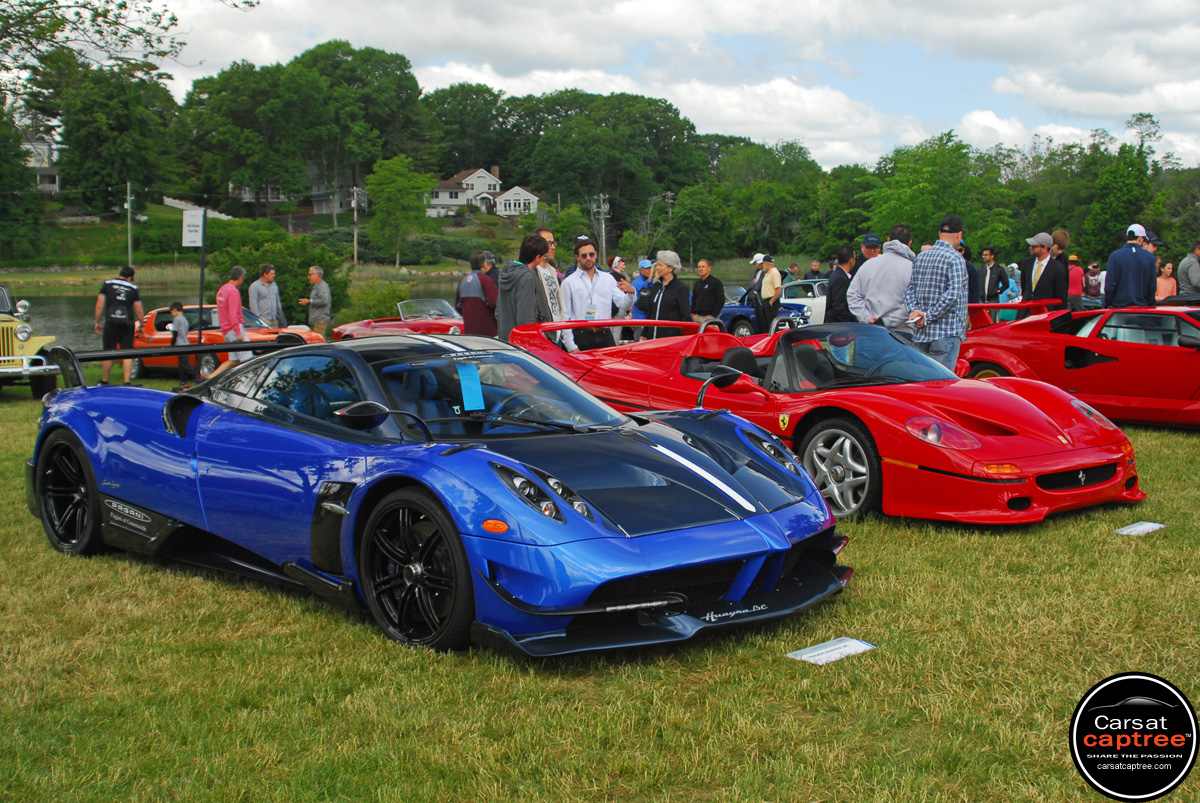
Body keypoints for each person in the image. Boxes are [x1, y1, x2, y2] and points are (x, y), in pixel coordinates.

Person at [904, 214, 968, 370]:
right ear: (959, 235)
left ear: (939, 233)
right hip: (946, 330)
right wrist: (928, 316)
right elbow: (953, 294)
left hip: (920, 331)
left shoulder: (921, 257)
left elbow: (910, 289)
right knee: (941, 384)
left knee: (922, 380)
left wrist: (915, 312)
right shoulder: (956, 258)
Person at [559, 238, 635, 351]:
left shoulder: (608, 278)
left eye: (591, 254)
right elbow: (565, 316)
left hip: (605, 334)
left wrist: (631, 293)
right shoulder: (568, 282)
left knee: (610, 367)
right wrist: (571, 347)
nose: (588, 258)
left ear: (596, 255)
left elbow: (623, 304)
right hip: (581, 334)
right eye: (584, 255)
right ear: (577, 257)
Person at [847, 223, 915, 336]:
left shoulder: (867, 265)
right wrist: (887, 321)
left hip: (869, 331)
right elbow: (912, 303)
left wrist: (867, 318)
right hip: (901, 334)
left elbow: (852, 295)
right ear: (910, 243)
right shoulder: (912, 268)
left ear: (888, 240)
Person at [94, 265, 144, 385]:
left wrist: (97, 322)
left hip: (111, 323)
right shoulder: (133, 288)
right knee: (127, 352)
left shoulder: (107, 284)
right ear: (130, 277)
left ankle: (104, 380)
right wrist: (141, 324)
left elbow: (99, 305)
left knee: (108, 352)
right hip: (128, 324)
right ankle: (126, 381)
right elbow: (138, 310)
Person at [496, 233, 551, 341]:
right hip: (519, 343)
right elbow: (525, 318)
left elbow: (497, 311)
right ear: (537, 257)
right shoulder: (526, 277)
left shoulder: (507, 269)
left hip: (504, 338)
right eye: (543, 256)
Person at [207, 266, 251, 380]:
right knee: (247, 360)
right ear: (240, 278)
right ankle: (246, 381)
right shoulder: (233, 291)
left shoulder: (222, 290)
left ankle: (210, 378)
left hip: (225, 329)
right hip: (233, 329)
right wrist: (238, 332)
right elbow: (233, 314)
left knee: (233, 360)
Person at [637, 250, 691, 339]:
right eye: (657, 265)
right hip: (652, 339)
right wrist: (644, 334)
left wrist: (681, 338)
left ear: (670, 268)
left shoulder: (680, 289)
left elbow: (684, 317)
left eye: (660, 265)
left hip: (670, 340)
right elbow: (650, 312)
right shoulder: (656, 286)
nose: (657, 268)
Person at [1104, 224, 1157, 309]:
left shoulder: (1115, 256)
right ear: (1140, 238)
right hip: (1142, 306)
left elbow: (1109, 285)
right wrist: (1150, 303)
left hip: (1119, 306)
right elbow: (1152, 285)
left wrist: (1109, 303)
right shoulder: (1149, 257)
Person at [1019, 232, 1069, 311]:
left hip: (1046, 312)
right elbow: (1024, 286)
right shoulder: (1027, 263)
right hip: (1026, 310)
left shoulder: (1058, 268)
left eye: (1034, 246)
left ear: (1044, 249)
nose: (1030, 248)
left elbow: (1061, 294)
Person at [455, 250, 498, 336]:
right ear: (484, 264)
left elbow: (458, 305)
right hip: (487, 331)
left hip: (469, 330)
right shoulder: (485, 280)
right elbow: (494, 302)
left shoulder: (462, 281)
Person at [166, 301, 197, 390]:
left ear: (174, 310)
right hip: (186, 343)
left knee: (184, 364)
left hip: (180, 344)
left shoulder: (176, 319)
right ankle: (184, 381)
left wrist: (171, 345)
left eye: (171, 312)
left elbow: (175, 333)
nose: (172, 314)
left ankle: (197, 375)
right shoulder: (184, 319)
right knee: (182, 364)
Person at [824, 245, 857, 323]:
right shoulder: (840, 278)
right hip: (838, 324)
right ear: (851, 261)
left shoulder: (837, 274)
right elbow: (839, 307)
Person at [299, 265, 331, 339]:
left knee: (318, 343)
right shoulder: (316, 287)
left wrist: (309, 301)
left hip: (320, 322)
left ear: (317, 274)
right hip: (315, 322)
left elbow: (324, 300)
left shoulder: (322, 286)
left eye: (310, 274)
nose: (308, 277)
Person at [690, 258, 724, 323]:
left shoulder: (716, 283)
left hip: (710, 317)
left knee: (711, 333)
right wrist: (692, 313)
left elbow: (720, 300)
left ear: (709, 268)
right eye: (699, 267)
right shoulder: (697, 283)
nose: (700, 269)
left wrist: (713, 315)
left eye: (703, 267)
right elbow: (694, 299)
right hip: (697, 317)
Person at [757, 254, 783, 332]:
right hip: (765, 301)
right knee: (765, 325)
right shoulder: (767, 274)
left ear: (767, 263)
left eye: (763, 263)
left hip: (771, 301)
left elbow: (778, 290)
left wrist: (771, 302)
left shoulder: (774, 273)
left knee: (772, 325)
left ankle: (775, 342)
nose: (762, 265)